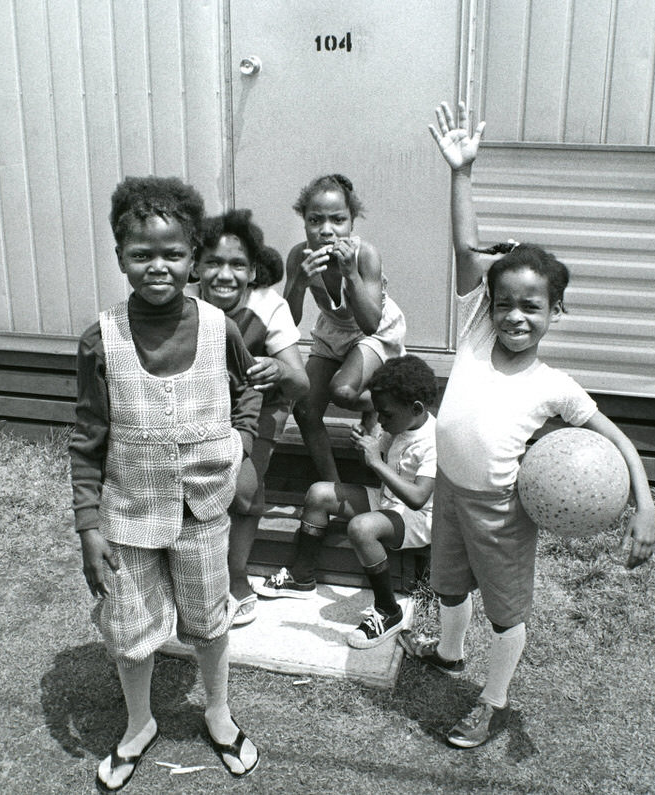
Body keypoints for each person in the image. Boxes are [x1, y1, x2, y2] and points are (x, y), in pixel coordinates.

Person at [398, 102, 655, 750]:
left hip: (501, 510)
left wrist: (645, 506)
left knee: (506, 611)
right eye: (506, 302)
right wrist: (463, 172)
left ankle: (493, 701)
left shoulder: (554, 385)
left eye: (531, 306)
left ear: (554, 312)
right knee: (449, 586)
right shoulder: (477, 329)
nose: (515, 315)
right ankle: (450, 654)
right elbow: (466, 250)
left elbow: (618, 439)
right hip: (450, 489)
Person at [69, 176, 262, 788]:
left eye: (173, 253)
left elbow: (247, 392)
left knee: (208, 620)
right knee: (131, 627)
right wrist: (88, 525)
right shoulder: (100, 340)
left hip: (203, 512)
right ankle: (138, 724)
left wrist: (241, 446)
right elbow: (88, 437)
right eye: (141, 254)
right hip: (127, 516)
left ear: (194, 257)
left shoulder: (219, 328)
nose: (158, 266)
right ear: (121, 257)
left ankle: (218, 711)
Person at [255, 355, 437, 649]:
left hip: (417, 518)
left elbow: (417, 499)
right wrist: (369, 444)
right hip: (388, 502)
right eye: (378, 414)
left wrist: (376, 462)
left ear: (415, 409)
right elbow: (384, 463)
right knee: (319, 493)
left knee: (361, 528)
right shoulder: (399, 425)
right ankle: (301, 575)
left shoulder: (432, 440)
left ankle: (388, 610)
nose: (382, 421)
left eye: (386, 415)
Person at [190, 210, 310, 627]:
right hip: (198, 409)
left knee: (243, 492)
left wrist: (276, 370)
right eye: (214, 262)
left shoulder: (267, 305)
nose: (225, 274)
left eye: (237, 264)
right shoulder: (181, 302)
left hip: (260, 408)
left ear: (253, 271)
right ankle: (195, 573)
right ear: (195, 265)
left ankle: (236, 574)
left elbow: (300, 381)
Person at [282, 173, 407, 482]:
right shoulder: (299, 255)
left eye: (337, 220)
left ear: (352, 222)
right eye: (315, 220)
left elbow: (369, 323)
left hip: (375, 330)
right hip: (334, 330)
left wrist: (350, 275)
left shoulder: (365, 256)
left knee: (342, 391)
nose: (326, 231)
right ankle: (332, 488)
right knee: (305, 409)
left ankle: (387, 402)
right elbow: (287, 322)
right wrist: (299, 282)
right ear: (305, 222)